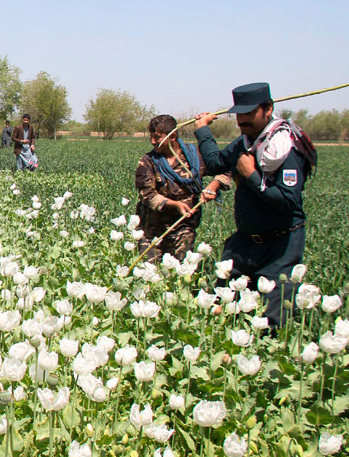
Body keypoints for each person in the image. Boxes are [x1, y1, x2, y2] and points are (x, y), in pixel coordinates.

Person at [194, 83, 317, 327]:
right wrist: (203, 130)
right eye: (239, 114)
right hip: (245, 242)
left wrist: (251, 175)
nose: (242, 120)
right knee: (222, 306)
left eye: (249, 113)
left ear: (268, 109)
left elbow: (288, 201)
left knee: (270, 321)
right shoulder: (245, 142)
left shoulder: (285, 148)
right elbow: (216, 162)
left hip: (280, 246)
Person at [135, 114, 232, 261]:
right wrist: (175, 205)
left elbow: (226, 168)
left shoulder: (196, 157)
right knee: (148, 274)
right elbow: (147, 194)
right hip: (151, 230)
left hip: (183, 227)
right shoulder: (148, 161)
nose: (152, 141)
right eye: (151, 136)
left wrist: (213, 186)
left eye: (157, 137)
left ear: (172, 136)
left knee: (181, 272)